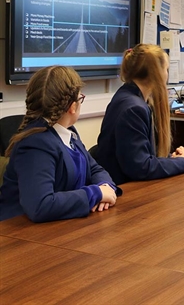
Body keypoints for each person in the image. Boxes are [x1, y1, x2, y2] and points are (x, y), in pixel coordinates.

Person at [0, 66, 120, 222]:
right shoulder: (36, 145)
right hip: (22, 236)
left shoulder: (69, 133)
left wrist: (105, 186)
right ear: (72, 106)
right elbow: (40, 205)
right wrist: (95, 194)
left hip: (61, 227)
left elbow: (95, 169)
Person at [95, 44, 184, 185]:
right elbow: (140, 167)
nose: (167, 74)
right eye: (166, 69)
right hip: (125, 191)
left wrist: (174, 159)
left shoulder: (129, 97)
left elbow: (143, 156)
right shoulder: (134, 109)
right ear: (157, 72)